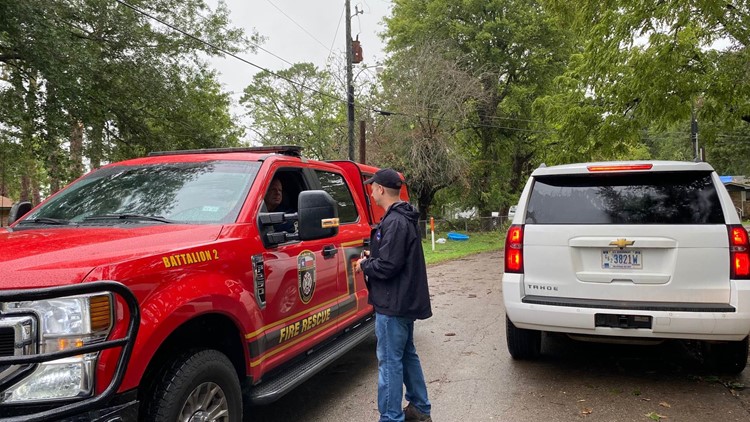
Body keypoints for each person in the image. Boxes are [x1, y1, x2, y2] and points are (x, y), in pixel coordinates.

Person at [354, 168, 433, 422]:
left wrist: (365, 265)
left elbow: (388, 266)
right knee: (407, 354)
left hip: (393, 304)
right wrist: (373, 256)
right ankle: (420, 408)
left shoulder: (396, 221)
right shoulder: (401, 218)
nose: (371, 192)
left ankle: (390, 417)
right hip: (402, 301)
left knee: (389, 362)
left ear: (380, 189)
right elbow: (393, 257)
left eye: (372, 187)